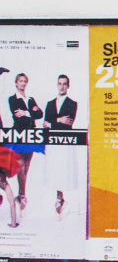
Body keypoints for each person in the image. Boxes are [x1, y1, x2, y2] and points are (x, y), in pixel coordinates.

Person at [41, 74, 77, 218]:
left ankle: (60, 199)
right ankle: (58, 198)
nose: (61, 86)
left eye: (64, 84)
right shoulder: (50, 103)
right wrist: (58, 120)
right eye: (59, 83)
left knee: (63, 168)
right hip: (52, 141)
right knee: (54, 168)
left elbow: (69, 123)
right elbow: (45, 123)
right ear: (57, 85)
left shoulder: (72, 103)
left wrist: (52, 122)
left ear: (68, 86)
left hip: (65, 141)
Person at [6, 73, 43, 213]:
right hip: (20, 135)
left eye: (25, 81)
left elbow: (40, 115)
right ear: (16, 83)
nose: (23, 83)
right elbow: (17, 115)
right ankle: (22, 195)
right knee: (20, 164)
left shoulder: (30, 99)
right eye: (20, 81)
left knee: (27, 166)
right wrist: (31, 113)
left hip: (32, 135)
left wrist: (27, 113)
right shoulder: (12, 99)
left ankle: (21, 195)